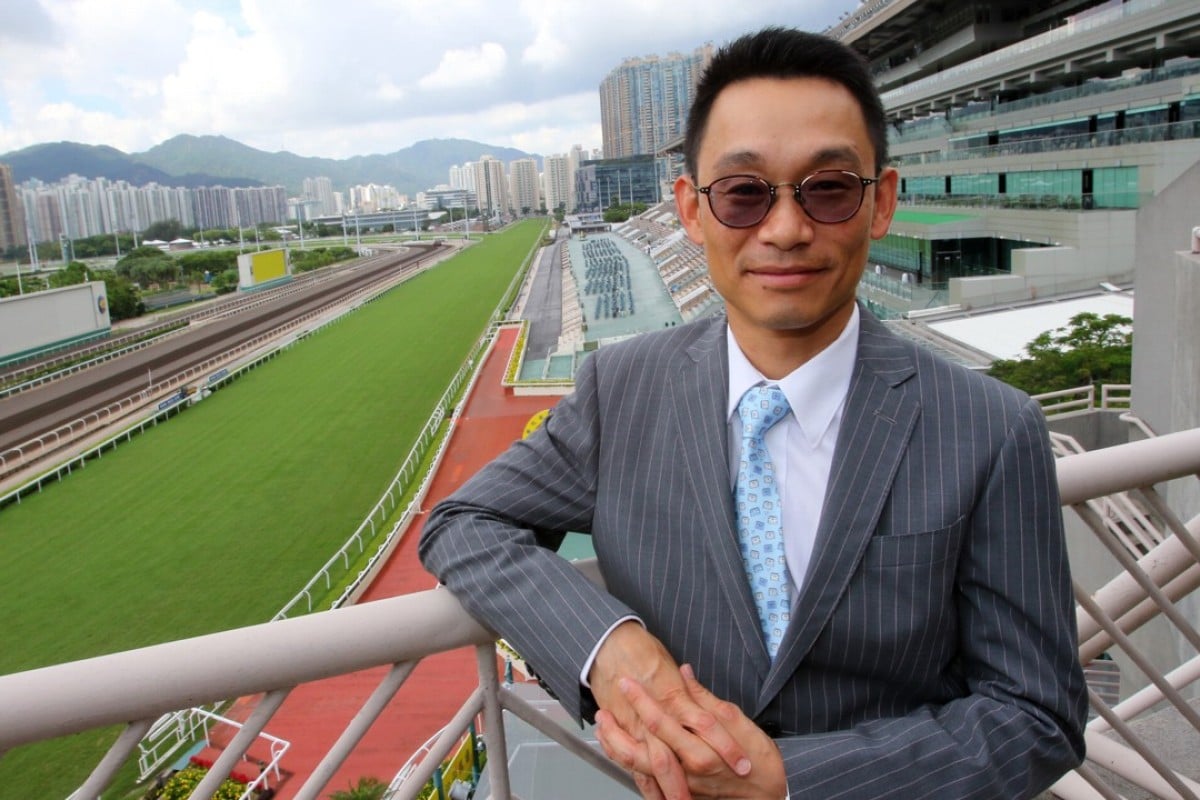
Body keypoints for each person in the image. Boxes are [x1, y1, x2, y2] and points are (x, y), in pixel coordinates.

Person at [420, 26, 1087, 800]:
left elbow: (1038, 716)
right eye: (744, 193)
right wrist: (609, 646)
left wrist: (791, 780)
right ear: (691, 211)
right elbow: (463, 523)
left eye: (828, 188)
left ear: (882, 203)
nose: (785, 229)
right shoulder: (622, 389)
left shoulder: (992, 428)